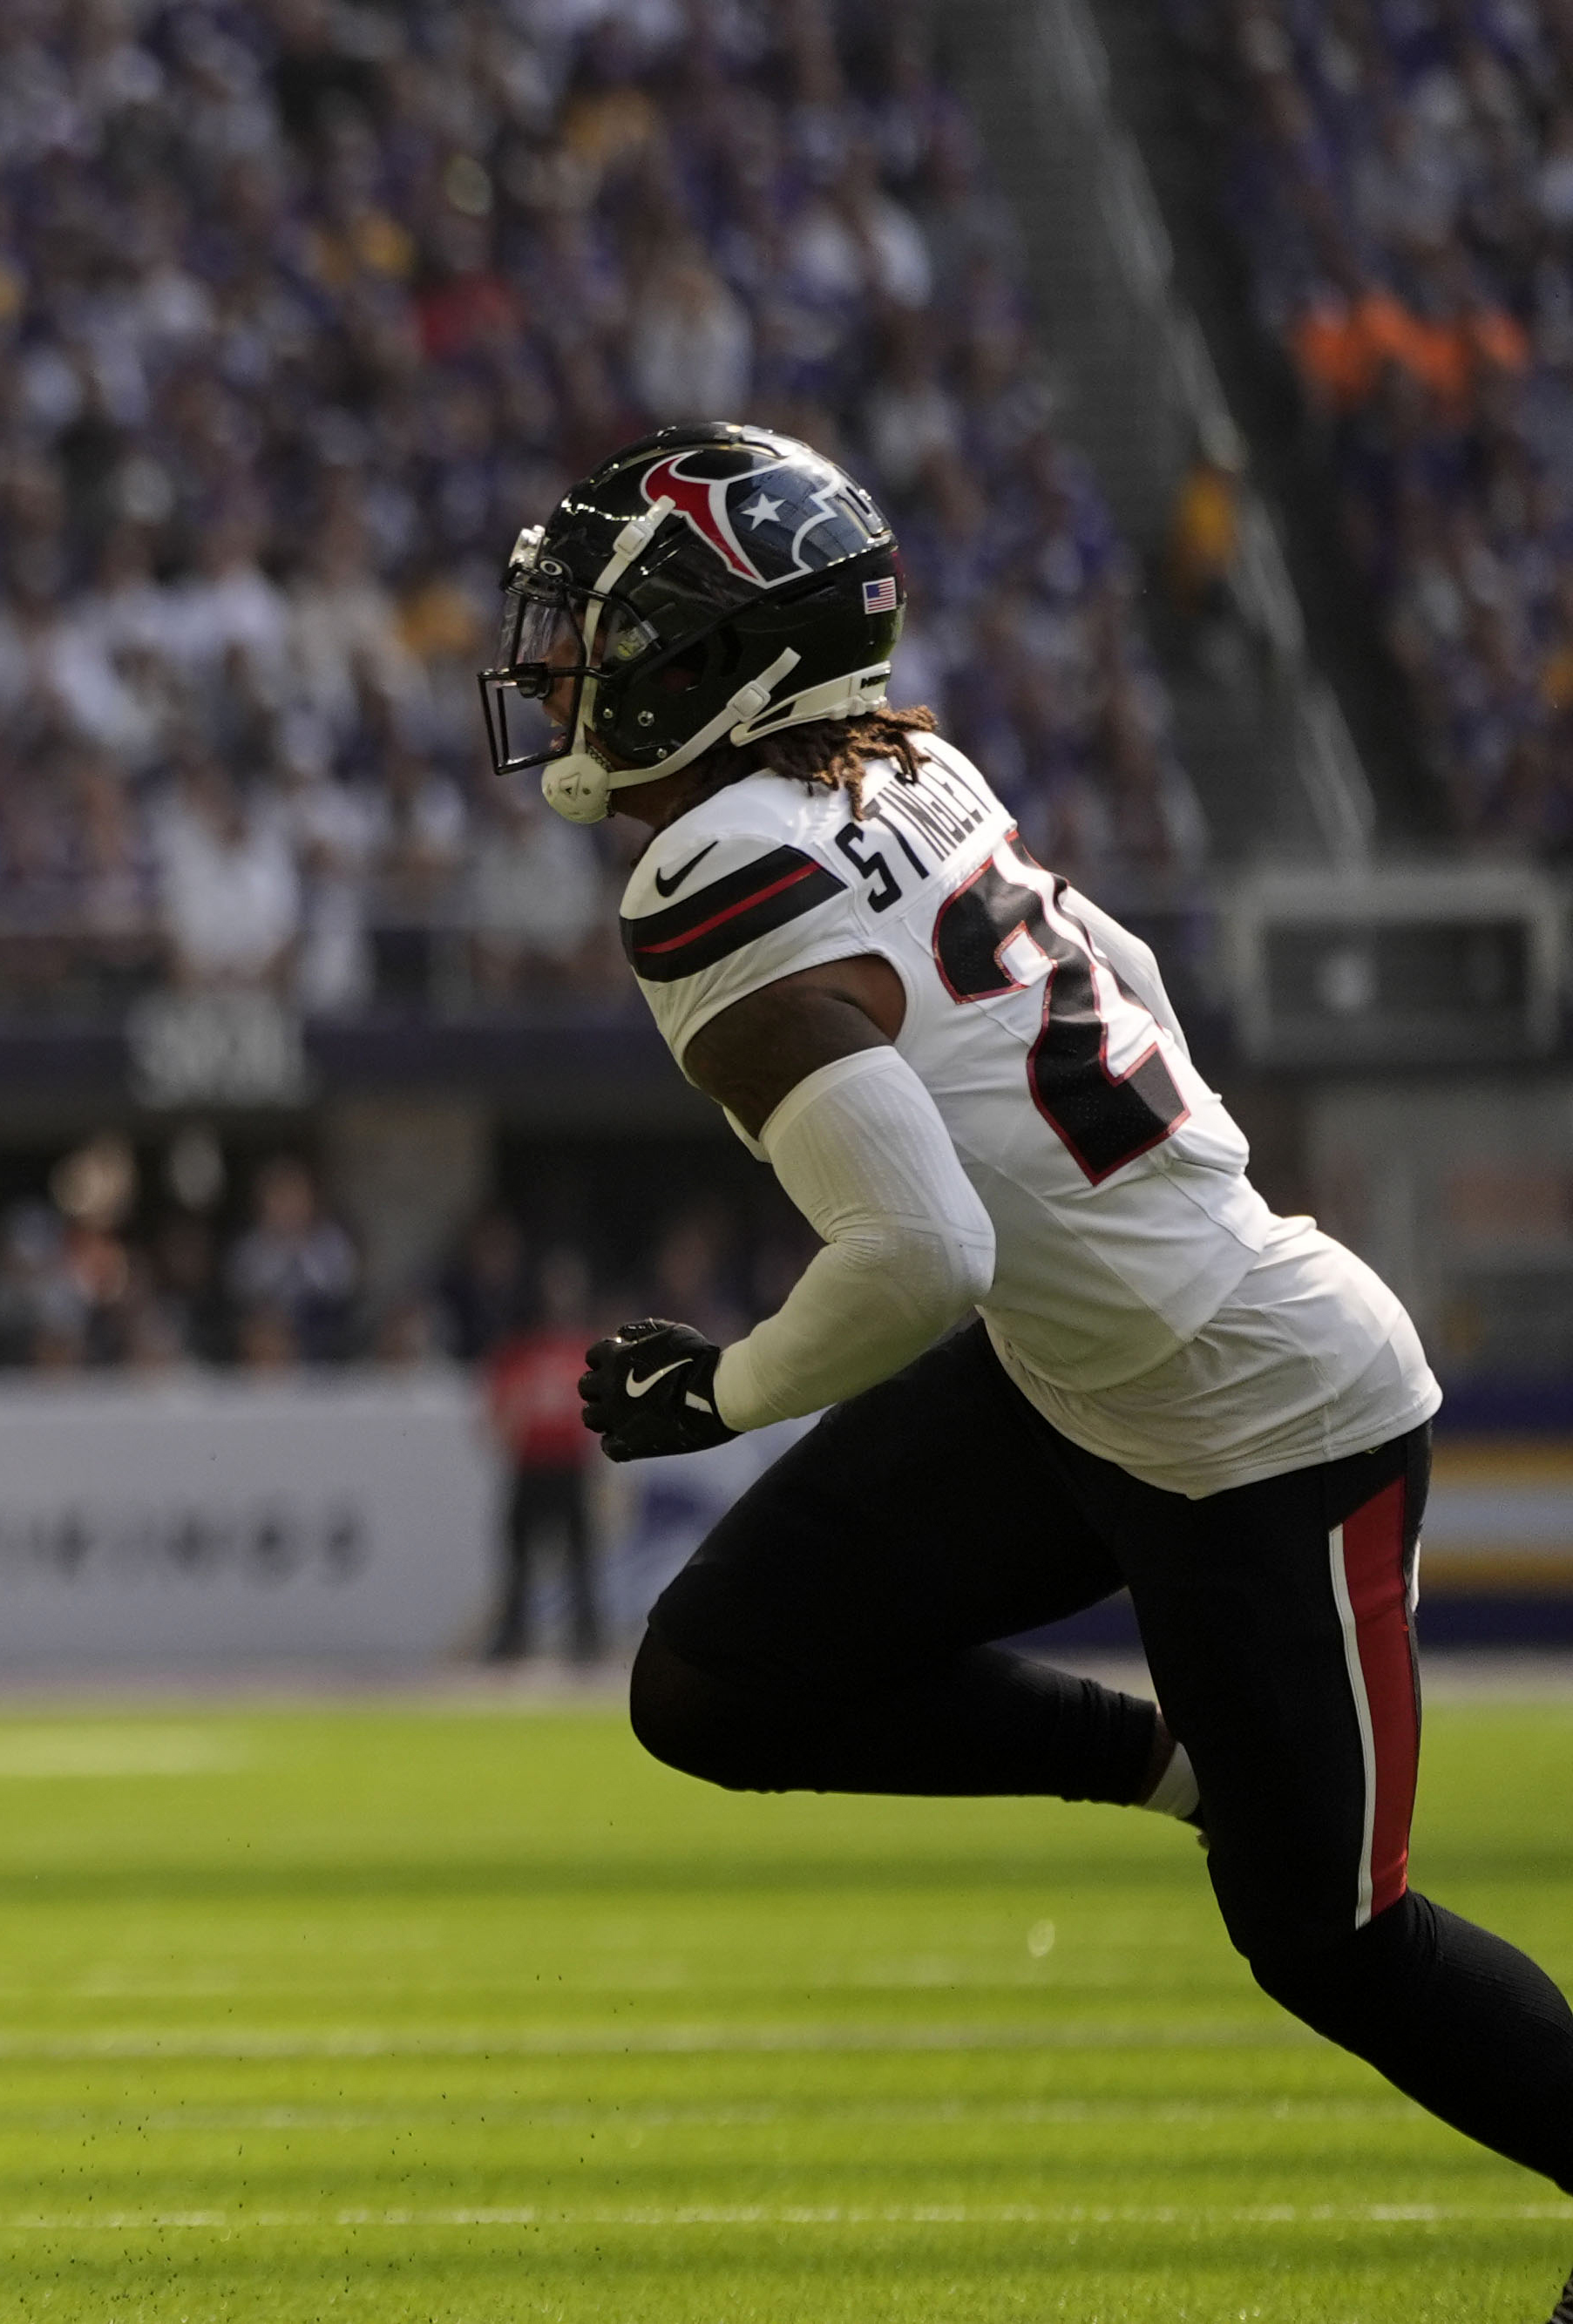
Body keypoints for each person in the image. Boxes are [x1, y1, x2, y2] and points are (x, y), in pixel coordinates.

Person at [478, 422, 1573, 2234]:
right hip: (1099, 1365)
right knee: (712, 1681)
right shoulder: (904, 766)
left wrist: (722, 1388)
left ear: (717, 657)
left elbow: (922, 1255)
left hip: (1257, 1414)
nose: (555, 671)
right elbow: (1120, 976)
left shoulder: (712, 875)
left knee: (1332, 1942)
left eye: (601, 629)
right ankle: (1178, 1765)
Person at [479, 1251, 601, 1664]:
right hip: (530, 1466)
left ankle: (586, 1636)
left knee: (580, 1556)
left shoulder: (588, 1349)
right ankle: (515, 1634)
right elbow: (498, 1416)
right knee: (519, 1558)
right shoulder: (519, 1353)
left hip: (570, 1466)